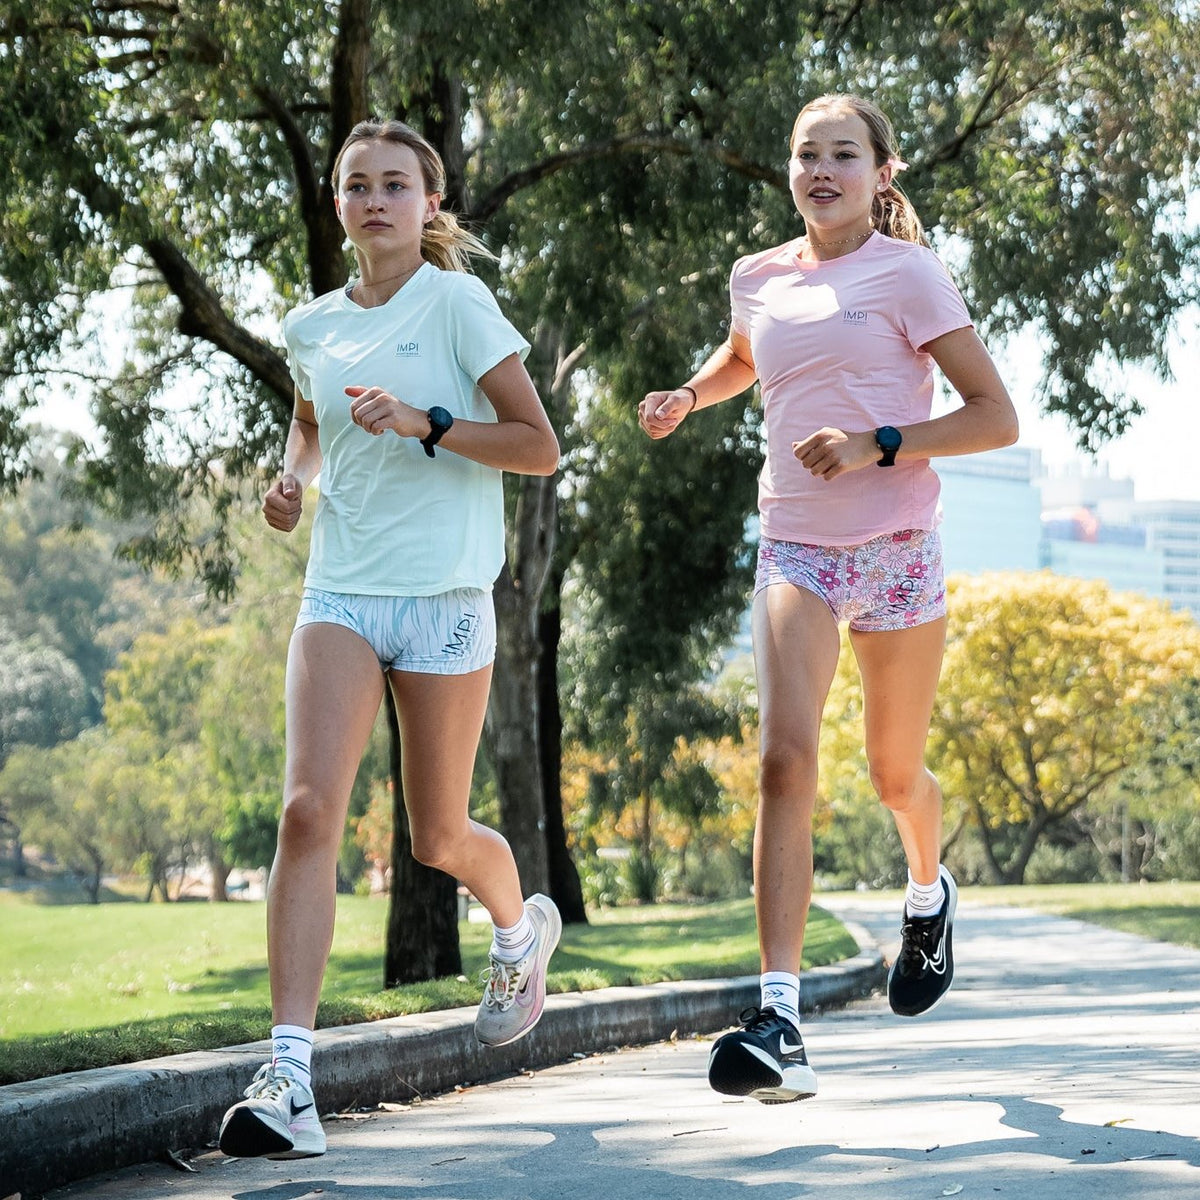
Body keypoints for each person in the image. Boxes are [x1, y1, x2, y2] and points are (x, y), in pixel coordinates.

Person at [638, 93, 1018, 1104]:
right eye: (806, 153)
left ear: (881, 173)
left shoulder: (909, 273)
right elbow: (747, 357)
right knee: (783, 758)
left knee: (896, 778)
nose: (821, 170)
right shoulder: (756, 276)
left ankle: (927, 893)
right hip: (797, 545)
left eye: (842, 155)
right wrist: (688, 392)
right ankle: (779, 1017)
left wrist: (878, 444)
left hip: (896, 548)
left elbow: (995, 416)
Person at [218, 118, 562, 1160]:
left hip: (447, 595)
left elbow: (539, 448)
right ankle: (290, 1079)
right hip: (343, 592)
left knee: (436, 836)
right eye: (357, 184)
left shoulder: (456, 303)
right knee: (307, 811)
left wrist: (429, 425)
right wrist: (292, 481)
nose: (375, 199)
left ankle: (519, 930)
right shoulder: (311, 325)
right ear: (337, 206)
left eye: (396, 184)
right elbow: (312, 426)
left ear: (428, 203)